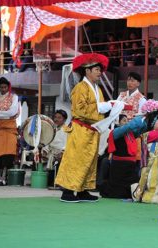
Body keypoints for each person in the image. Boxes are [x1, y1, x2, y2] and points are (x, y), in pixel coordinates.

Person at [55, 53, 112, 203]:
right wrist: (101, 107)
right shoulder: (80, 87)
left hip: (92, 130)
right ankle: (67, 192)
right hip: (81, 129)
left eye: (100, 70)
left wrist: (105, 110)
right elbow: (79, 110)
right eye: (97, 70)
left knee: (89, 161)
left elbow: (99, 110)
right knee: (76, 159)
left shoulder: (96, 88)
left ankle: (83, 190)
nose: (100, 73)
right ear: (87, 71)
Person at [100, 114, 147, 199]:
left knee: (132, 188)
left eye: (127, 120)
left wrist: (146, 118)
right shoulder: (116, 132)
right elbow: (129, 126)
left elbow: (142, 129)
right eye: (124, 120)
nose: (126, 123)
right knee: (117, 192)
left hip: (130, 166)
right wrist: (138, 118)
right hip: (119, 167)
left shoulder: (130, 133)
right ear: (118, 122)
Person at [0, 77, 20, 186]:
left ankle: (5, 178)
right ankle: (0, 178)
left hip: (10, 130)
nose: (3, 89)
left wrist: (0, 113)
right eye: (1, 87)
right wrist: (5, 113)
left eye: (5, 87)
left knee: (8, 154)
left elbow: (13, 112)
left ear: (8, 87)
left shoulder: (14, 97)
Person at [42, 109, 68, 187]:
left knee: (59, 160)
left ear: (64, 119)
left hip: (61, 152)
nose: (56, 119)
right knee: (38, 156)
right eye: (55, 117)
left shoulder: (67, 130)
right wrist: (45, 151)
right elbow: (47, 141)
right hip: (50, 152)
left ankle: (57, 182)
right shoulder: (52, 129)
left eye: (59, 118)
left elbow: (68, 144)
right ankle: (42, 181)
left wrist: (62, 152)